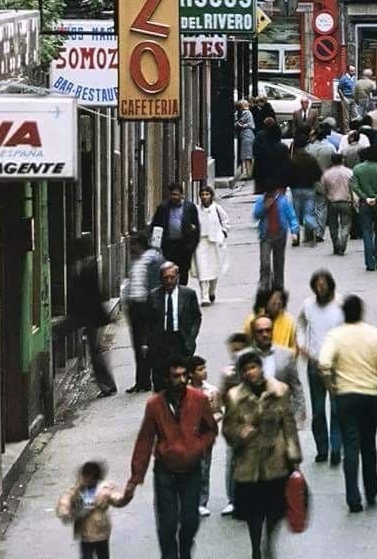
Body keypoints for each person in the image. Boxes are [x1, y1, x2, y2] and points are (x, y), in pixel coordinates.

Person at [125, 355, 218, 559]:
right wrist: (135, 476)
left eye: (185, 375)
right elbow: (145, 440)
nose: (182, 380)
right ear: (167, 379)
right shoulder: (155, 405)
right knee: (167, 524)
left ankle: (185, 550)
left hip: (191, 468)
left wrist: (198, 447)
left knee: (190, 520)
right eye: (176, 376)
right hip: (165, 470)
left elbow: (210, 430)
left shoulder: (199, 400)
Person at [319, 295, 377, 513]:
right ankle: (371, 489)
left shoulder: (335, 336)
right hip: (369, 396)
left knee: (350, 445)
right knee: (369, 444)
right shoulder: (375, 335)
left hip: (345, 396)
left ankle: (353, 497)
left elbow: (324, 363)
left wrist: (331, 386)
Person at [222, 350, 302, 559]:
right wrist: (241, 433)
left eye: (253, 367)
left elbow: (289, 425)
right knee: (253, 513)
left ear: (260, 368)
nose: (250, 373)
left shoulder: (280, 391)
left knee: (276, 510)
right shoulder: (234, 397)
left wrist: (294, 457)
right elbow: (228, 429)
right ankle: (256, 548)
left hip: (276, 460)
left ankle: (269, 542)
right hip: (248, 463)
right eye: (246, 369)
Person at [296, 270, 344, 465]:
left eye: (324, 285)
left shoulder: (341, 303)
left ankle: (335, 447)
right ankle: (322, 448)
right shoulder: (308, 305)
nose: (321, 289)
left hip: (336, 364)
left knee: (336, 408)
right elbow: (299, 325)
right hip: (315, 363)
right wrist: (302, 345)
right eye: (318, 286)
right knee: (317, 409)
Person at [146, 262, 202, 392]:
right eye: (165, 278)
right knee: (161, 383)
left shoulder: (188, 294)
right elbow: (147, 321)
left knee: (183, 381)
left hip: (181, 341)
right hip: (161, 342)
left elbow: (197, 317)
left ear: (178, 277)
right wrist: (148, 342)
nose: (169, 281)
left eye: (172, 277)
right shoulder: (153, 296)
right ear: (161, 279)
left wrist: (191, 337)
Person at [57, 460, 129, 559]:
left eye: (88, 477)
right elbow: (65, 500)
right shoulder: (77, 490)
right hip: (85, 533)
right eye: (84, 476)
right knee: (86, 556)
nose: (85, 479)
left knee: (103, 555)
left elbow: (115, 497)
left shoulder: (104, 490)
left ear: (94, 478)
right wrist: (65, 511)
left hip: (101, 533)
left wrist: (125, 497)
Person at [239, 315, 306, 424]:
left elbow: (296, 387)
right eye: (260, 331)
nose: (265, 334)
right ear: (253, 334)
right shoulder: (243, 357)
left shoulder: (286, 355)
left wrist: (298, 417)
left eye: (268, 330)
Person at [69, 254, 117, 399]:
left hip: (92, 318)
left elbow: (91, 295)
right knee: (97, 352)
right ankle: (107, 384)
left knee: (96, 353)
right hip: (92, 317)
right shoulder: (88, 266)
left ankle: (107, 385)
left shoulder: (88, 268)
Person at [123, 230, 164, 394]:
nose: (131, 248)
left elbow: (156, 285)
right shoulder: (135, 262)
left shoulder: (153, 260)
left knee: (149, 345)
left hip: (147, 306)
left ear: (140, 245)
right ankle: (141, 381)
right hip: (135, 307)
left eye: (133, 244)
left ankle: (152, 379)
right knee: (138, 345)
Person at [186, 356, 222, 518]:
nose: (204, 372)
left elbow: (218, 412)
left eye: (204, 368)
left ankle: (201, 501)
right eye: (200, 369)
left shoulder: (212, 392)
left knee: (204, 467)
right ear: (191, 374)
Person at [219, 332, 249, 517]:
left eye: (240, 351)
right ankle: (232, 499)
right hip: (235, 423)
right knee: (232, 460)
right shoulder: (229, 374)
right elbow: (223, 398)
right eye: (234, 351)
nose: (236, 355)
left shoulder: (256, 370)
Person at [149, 183, 200, 285]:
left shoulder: (190, 207)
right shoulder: (163, 208)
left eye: (176, 194)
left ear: (182, 195)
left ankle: (181, 291)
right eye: (172, 194)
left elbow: (197, 227)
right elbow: (155, 225)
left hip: (184, 246)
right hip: (169, 245)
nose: (174, 197)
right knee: (169, 270)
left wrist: (192, 245)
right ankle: (171, 289)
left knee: (184, 271)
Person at [252, 188, 299, 291]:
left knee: (279, 261)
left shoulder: (283, 200)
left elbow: (291, 216)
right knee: (265, 262)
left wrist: (294, 231)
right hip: (266, 235)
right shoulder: (261, 199)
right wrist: (264, 206)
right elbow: (255, 215)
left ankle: (278, 285)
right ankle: (264, 284)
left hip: (280, 234)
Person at [352, 147, 377, 271]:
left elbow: (354, 186)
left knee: (367, 232)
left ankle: (369, 263)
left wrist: (365, 197)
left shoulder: (357, 169)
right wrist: (376, 197)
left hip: (364, 204)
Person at [193, 185, 229, 306]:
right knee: (202, 269)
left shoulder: (217, 209)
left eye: (207, 194)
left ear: (211, 196)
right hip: (201, 242)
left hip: (214, 243)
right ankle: (204, 296)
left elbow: (225, 222)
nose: (204, 197)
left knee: (214, 269)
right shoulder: (197, 210)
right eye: (202, 195)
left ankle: (212, 291)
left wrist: (223, 234)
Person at [288, 132, 321, 246]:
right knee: (309, 212)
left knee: (296, 215)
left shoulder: (292, 160)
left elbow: (286, 176)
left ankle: (296, 237)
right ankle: (310, 232)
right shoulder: (311, 159)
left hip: (296, 189)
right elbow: (318, 174)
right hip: (309, 189)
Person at [244, 285, 298, 352]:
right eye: (274, 302)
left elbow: (294, 346)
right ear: (265, 302)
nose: (278, 303)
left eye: (280, 301)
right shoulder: (252, 320)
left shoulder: (288, 320)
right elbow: (245, 344)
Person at [320, 152, 354, 255]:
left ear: (332, 161)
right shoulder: (349, 172)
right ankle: (343, 243)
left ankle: (336, 245)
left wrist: (326, 197)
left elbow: (323, 189)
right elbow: (353, 187)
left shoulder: (327, 173)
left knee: (333, 225)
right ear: (342, 160)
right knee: (345, 224)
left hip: (332, 202)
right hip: (346, 201)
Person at [307, 124, 336, 242]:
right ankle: (320, 232)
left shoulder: (309, 147)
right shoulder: (330, 147)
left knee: (310, 207)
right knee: (322, 207)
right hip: (324, 180)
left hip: (309, 180)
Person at [252, 120, 291, 195]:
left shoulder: (263, 148)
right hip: (279, 180)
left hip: (266, 179)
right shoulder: (283, 148)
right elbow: (287, 164)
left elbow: (256, 151)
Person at [236, 100, 256, 179]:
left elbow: (240, 123)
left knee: (247, 156)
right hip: (249, 135)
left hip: (246, 136)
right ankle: (250, 173)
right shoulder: (248, 113)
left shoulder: (245, 113)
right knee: (249, 156)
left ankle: (249, 174)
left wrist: (238, 124)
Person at [337, 65, 357, 129]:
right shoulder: (344, 78)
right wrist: (343, 98)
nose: (354, 72)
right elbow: (339, 89)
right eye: (352, 71)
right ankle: (347, 130)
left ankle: (353, 128)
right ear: (348, 71)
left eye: (354, 70)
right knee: (346, 116)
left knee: (354, 115)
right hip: (346, 98)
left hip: (353, 98)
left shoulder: (354, 78)